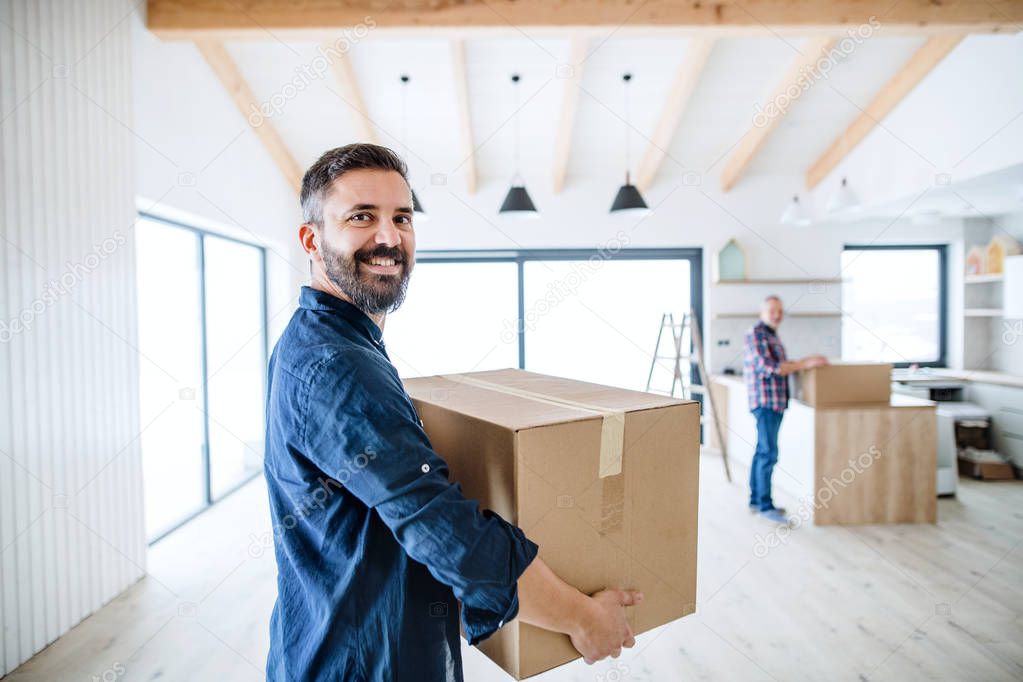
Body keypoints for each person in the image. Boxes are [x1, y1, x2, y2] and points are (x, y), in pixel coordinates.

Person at [263, 143, 640, 681]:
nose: (389, 238)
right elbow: (444, 531)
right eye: (361, 217)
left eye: (401, 217)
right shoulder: (339, 365)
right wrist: (583, 617)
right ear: (312, 240)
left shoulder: (321, 339)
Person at [742, 295, 827, 524]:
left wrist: (803, 362)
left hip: (775, 402)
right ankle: (764, 505)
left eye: (780, 311)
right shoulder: (757, 334)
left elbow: (781, 366)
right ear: (762, 312)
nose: (777, 315)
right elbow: (769, 368)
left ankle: (756, 501)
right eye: (772, 310)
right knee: (768, 453)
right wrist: (805, 363)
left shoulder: (770, 334)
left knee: (763, 451)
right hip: (766, 403)